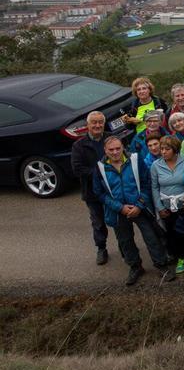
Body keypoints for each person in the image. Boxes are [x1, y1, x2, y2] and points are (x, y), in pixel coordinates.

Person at [94, 135, 172, 285]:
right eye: (111, 150)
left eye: (118, 148)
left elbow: (146, 183)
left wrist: (139, 205)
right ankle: (135, 267)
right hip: (118, 211)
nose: (115, 152)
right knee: (125, 241)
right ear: (105, 150)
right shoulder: (99, 168)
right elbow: (99, 193)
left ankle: (162, 265)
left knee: (151, 237)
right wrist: (120, 207)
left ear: (123, 147)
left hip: (139, 207)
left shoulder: (136, 161)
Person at [150, 136, 184, 275]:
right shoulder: (156, 165)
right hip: (167, 206)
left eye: (167, 149)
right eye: (162, 149)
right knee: (172, 233)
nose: (163, 152)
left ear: (175, 150)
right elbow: (154, 187)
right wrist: (159, 207)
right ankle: (180, 258)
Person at [71, 111, 110, 265]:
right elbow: (77, 169)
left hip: (113, 189)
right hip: (92, 192)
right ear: (88, 125)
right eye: (94, 122)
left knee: (121, 221)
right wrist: (101, 173)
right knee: (98, 222)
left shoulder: (110, 138)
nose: (97, 125)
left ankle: (126, 248)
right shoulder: (79, 145)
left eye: (100, 122)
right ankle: (101, 248)